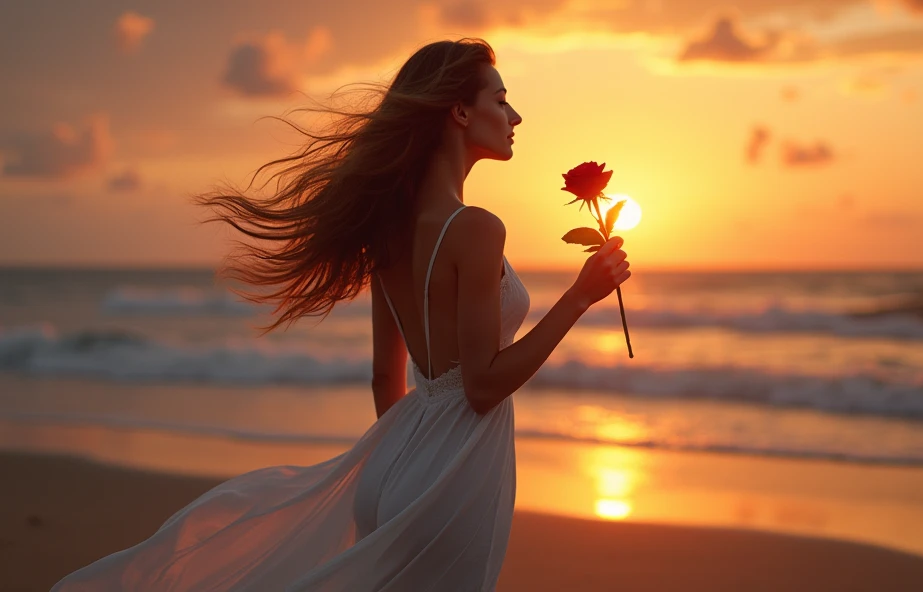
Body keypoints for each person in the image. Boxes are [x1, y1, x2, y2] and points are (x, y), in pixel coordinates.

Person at [51, 37, 630, 591]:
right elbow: (481, 386)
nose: (516, 116)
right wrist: (580, 296)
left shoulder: (388, 233)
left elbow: (386, 379)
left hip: (394, 466)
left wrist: (403, 471)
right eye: (500, 100)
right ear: (457, 111)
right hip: (451, 476)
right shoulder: (476, 227)